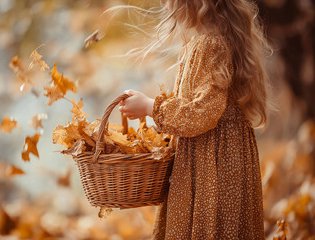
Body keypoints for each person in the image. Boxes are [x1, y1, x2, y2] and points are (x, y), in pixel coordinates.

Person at [118, 0, 276, 239]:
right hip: (222, 157)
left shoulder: (210, 46)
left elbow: (200, 115)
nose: (162, 2)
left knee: (212, 228)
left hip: (212, 166)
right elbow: (198, 108)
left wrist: (150, 107)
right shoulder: (214, 42)